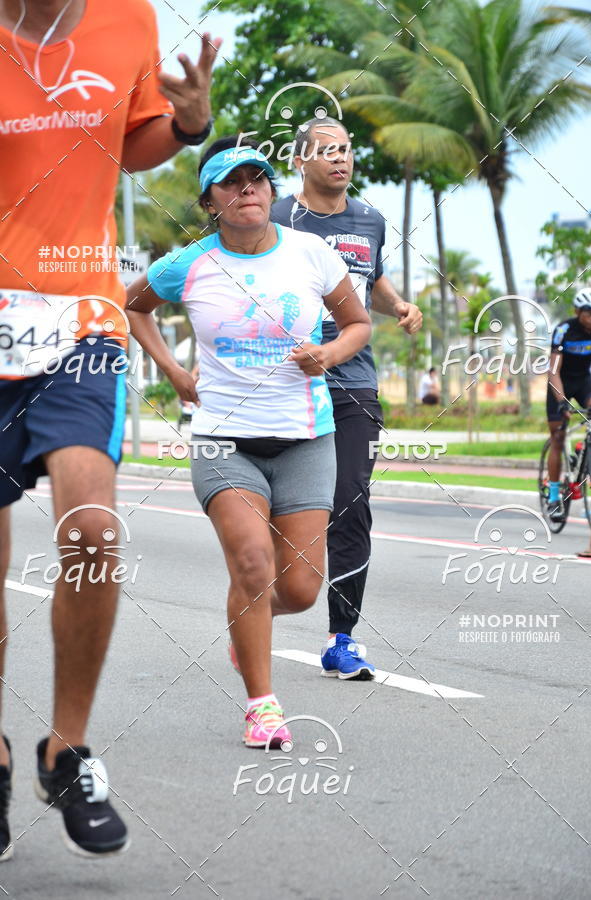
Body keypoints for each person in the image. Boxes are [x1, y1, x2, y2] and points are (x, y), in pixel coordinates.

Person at [0, 0, 220, 858]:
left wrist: (188, 126)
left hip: (80, 319)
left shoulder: (127, 18)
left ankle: (67, 748)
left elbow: (131, 141)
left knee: (92, 527)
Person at [126, 137, 372, 748]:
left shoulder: (311, 253)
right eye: (231, 184)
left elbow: (358, 323)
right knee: (253, 566)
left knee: (300, 589)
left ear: (270, 189)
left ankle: (247, 626)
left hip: (306, 438)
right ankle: (262, 708)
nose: (248, 192)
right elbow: (134, 307)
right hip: (222, 441)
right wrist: (174, 372)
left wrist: (330, 354)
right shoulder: (188, 264)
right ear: (210, 200)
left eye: (257, 181)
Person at [270, 117, 422, 680]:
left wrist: (400, 305)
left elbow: (368, 282)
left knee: (352, 505)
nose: (341, 160)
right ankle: (259, 602)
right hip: (282, 384)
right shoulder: (276, 217)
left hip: (353, 383)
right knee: (284, 513)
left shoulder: (370, 219)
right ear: (299, 160)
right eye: (327, 151)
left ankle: (342, 637)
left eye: (346, 151)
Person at [546, 287, 591, 522]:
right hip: (560, 383)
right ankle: (555, 496)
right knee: (558, 438)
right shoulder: (564, 330)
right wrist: (562, 402)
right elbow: (553, 371)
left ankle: (590, 449)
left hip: (584, 382)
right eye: (590, 312)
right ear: (578, 311)